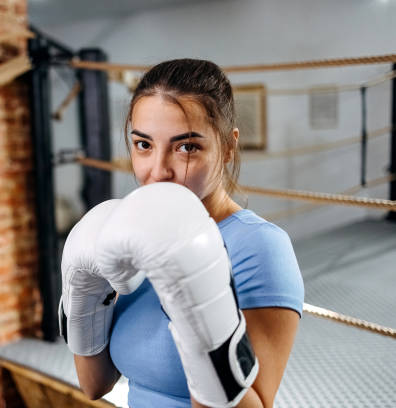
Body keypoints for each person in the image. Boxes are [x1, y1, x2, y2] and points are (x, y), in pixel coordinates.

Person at [60, 59, 304, 408]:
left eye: (186, 147)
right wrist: (82, 297)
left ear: (229, 145)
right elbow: (94, 385)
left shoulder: (261, 248)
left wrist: (200, 309)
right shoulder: (127, 236)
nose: (158, 171)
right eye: (144, 145)